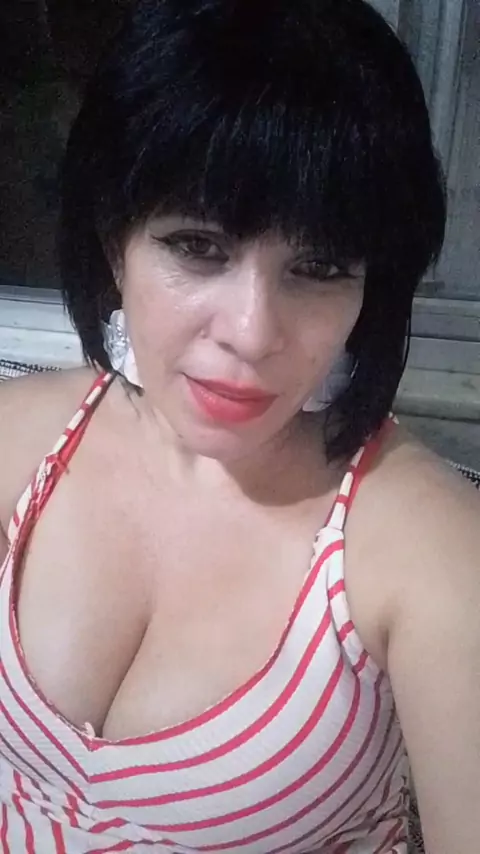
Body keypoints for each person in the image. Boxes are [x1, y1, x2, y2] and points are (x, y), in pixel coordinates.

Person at [0, 0, 478, 851]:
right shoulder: (22, 435)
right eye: (198, 246)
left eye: (318, 268)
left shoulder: (431, 550)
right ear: (115, 241)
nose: (253, 334)